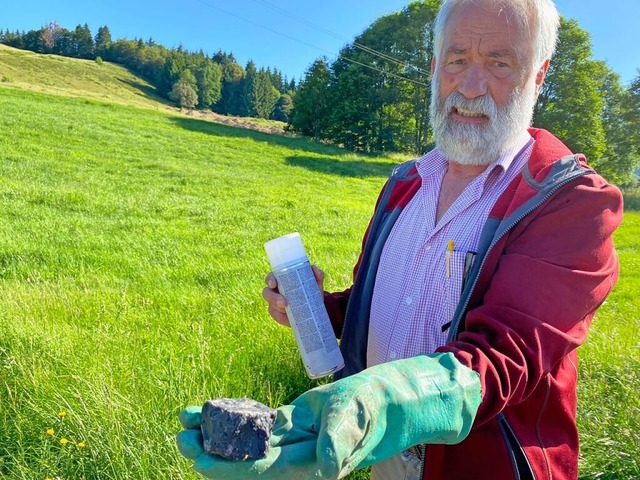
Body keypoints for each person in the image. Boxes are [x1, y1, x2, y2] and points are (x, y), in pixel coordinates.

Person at [177, 0, 623, 478]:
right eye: (457, 59)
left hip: (480, 465)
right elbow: (380, 310)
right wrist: (315, 309)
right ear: (434, 67)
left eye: (500, 62)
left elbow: (505, 354)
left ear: (537, 75)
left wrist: (382, 404)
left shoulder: (572, 203)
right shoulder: (404, 184)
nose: (471, 87)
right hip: (379, 453)